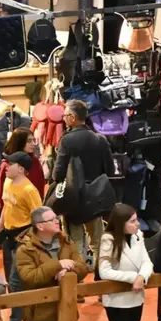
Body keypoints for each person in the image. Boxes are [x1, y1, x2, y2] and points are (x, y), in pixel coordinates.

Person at [97, 204, 153, 321]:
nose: (137, 224)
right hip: (116, 300)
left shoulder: (138, 237)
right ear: (121, 224)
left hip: (136, 297)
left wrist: (142, 277)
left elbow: (147, 262)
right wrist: (132, 279)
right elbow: (104, 271)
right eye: (132, 221)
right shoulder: (108, 240)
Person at [53, 99, 113, 265]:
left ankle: (76, 284)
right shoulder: (99, 139)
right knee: (98, 242)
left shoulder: (66, 140)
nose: (63, 118)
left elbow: (58, 172)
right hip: (96, 197)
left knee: (75, 244)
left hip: (74, 198)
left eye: (65, 115)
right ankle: (102, 278)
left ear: (72, 117)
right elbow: (110, 169)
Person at [0, 151, 43, 321]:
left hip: (23, 240)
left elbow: (39, 219)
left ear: (21, 169)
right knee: (11, 281)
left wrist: (30, 242)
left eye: (11, 163)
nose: (6, 166)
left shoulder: (29, 191)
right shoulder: (8, 182)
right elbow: (7, 208)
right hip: (9, 237)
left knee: (16, 282)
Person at [0, 128, 46, 212]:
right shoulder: (7, 164)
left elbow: (40, 186)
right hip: (12, 214)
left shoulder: (34, 161)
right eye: (29, 141)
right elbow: (1, 195)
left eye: (33, 140)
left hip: (34, 211)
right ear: (19, 142)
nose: (33, 144)